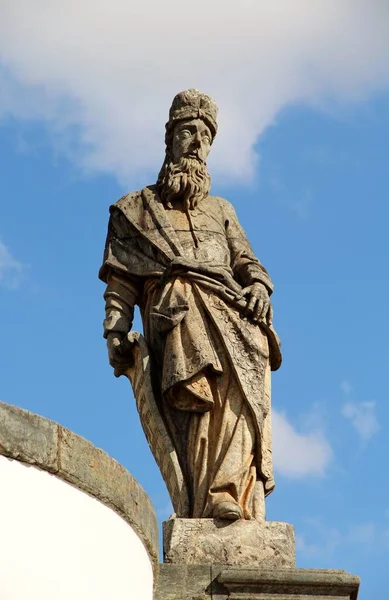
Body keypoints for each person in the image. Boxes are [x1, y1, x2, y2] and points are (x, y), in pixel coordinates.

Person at [99, 89, 281, 521]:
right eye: (188, 132)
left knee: (236, 404)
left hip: (234, 315)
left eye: (205, 135)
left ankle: (232, 489)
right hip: (177, 313)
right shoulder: (134, 210)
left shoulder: (221, 210)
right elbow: (120, 281)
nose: (197, 142)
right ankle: (208, 496)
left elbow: (247, 261)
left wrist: (257, 285)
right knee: (199, 400)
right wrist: (115, 330)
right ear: (170, 139)